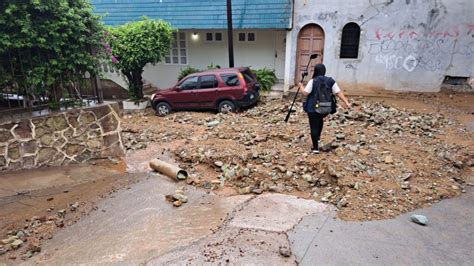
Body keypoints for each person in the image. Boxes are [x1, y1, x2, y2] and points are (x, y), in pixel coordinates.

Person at [298, 63, 351, 154]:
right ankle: (318, 138)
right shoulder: (330, 81)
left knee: (313, 126)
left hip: (313, 108)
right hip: (325, 107)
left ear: (315, 71)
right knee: (320, 120)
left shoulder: (313, 81)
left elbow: (305, 93)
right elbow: (338, 92)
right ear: (324, 71)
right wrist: (346, 102)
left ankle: (315, 148)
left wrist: (301, 86)